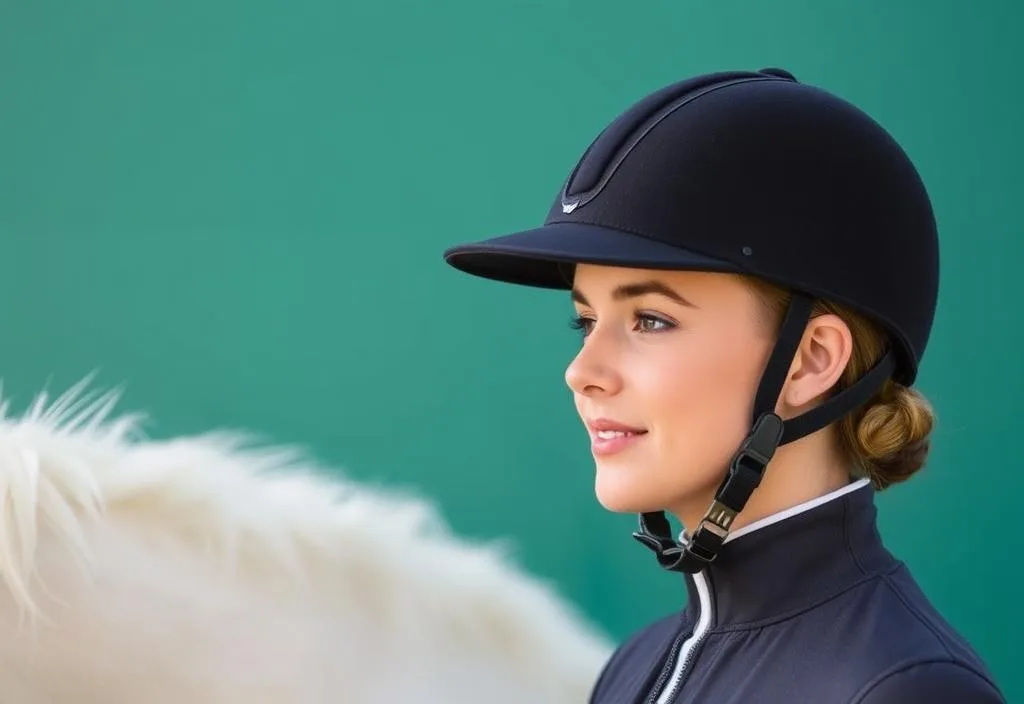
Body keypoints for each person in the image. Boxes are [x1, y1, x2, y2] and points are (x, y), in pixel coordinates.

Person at [441, 68, 1006, 703]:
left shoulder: (904, 690)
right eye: (587, 321)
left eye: (651, 319)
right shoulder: (635, 666)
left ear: (810, 361)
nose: (582, 372)